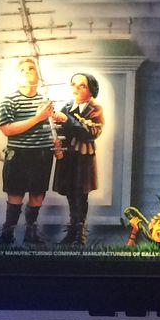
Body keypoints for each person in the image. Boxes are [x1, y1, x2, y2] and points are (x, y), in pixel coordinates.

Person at [0, 57, 55, 247]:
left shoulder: (45, 101)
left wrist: (55, 120)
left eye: (31, 68)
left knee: (37, 195)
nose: (27, 72)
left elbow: (52, 125)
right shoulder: (9, 100)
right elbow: (7, 129)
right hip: (18, 155)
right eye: (22, 70)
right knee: (15, 194)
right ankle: (7, 236)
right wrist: (38, 118)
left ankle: (31, 234)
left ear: (38, 75)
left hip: (42, 155)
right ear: (16, 76)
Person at [52, 72, 104, 246]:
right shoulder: (67, 106)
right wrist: (56, 123)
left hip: (83, 158)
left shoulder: (95, 109)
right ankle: (72, 231)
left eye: (82, 85)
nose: (76, 88)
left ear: (91, 90)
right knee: (70, 193)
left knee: (81, 194)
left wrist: (67, 120)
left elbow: (92, 133)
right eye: (73, 84)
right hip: (68, 156)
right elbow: (61, 129)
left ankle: (80, 234)